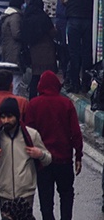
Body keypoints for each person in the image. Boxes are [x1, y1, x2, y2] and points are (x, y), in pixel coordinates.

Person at [0, 97, 51, 219]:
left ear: (17, 116)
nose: (6, 120)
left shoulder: (31, 135)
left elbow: (48, 159)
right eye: (3, 117)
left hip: (25, 193)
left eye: (10, 117)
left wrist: (40, 154)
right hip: (5, 192)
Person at [25, 71, 82, 220]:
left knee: (46, 198)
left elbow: (28, 134)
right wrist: (78, 156)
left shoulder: (34, 105)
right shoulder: (66, 104)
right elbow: (76, 132)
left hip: (42, 162)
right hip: (64, 159)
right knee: (66, 194)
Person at [60, 0, 93, 94]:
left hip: (73, 21)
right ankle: (86, 84)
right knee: (87, 53)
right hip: (88, 21)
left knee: (74, 53)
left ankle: (75, 84)